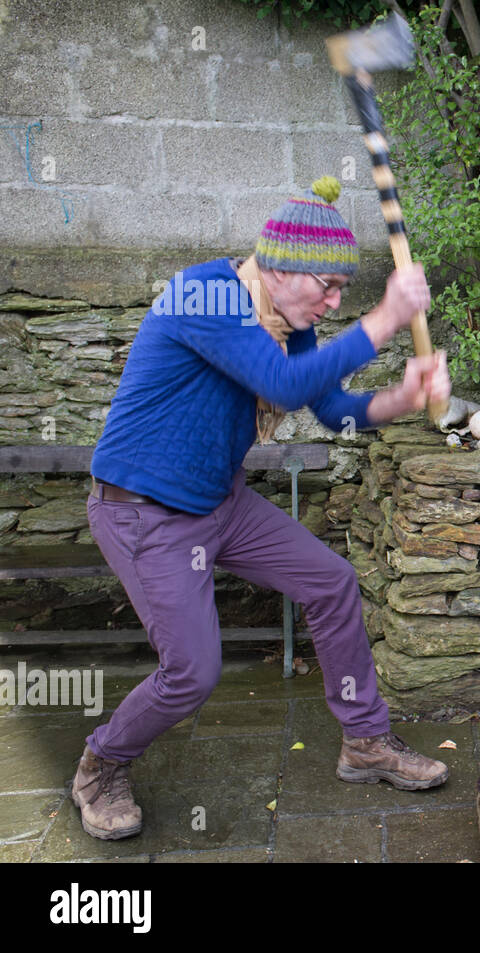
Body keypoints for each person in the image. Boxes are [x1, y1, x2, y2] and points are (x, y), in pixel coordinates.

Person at [73, 176, 452, 841]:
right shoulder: (204, 293)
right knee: (192, 670)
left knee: (330, 580)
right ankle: (102, 763)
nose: (333, 302)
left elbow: (331, 407)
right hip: (142, 513)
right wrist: (385, 317)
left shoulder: (286, 318)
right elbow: (279, 384)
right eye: (325, 288)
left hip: (219, 503)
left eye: (343, 292)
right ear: (276, 266)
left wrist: (405, 395)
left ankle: (365, 742)